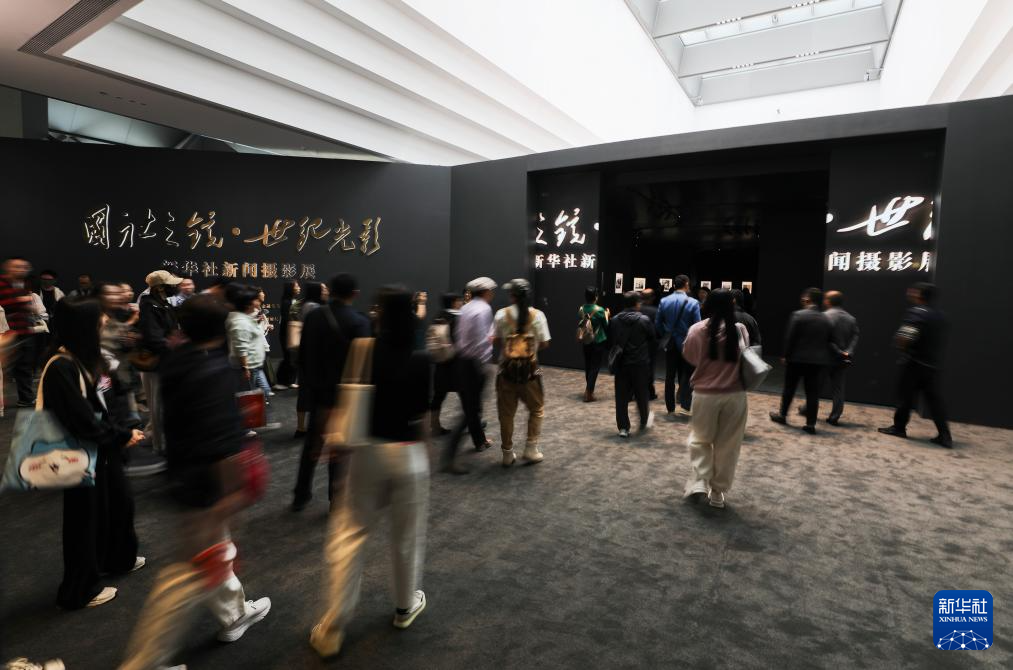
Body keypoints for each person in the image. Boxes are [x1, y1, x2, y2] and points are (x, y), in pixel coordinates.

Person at [119, 295, 272, 670]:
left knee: (216, 554)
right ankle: (146, 662)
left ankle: (235, 615)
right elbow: (219, 441)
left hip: (184, 472)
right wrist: (231, 492)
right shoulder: (214, 370)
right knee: (189, 573)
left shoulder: (179, 359)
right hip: (207, 482)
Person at [309, 287, 431, 658]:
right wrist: (425, 455)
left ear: (380, 314)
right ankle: (405, 606)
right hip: (408, 454)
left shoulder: (362, 348)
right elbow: (423, 417)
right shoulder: (422, 358)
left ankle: (332, 627)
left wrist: (334, 443)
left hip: (366, 452)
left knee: (350, 534)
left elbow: (345, 400)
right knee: (406, 536)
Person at [42, 299, 147, 609]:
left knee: (116, 504)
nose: (105, 330)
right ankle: (79, 590)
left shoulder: (85, 360)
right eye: (100, 326)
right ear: (84, 329)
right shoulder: (60, 366)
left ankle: (116, 559)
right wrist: (122, 436)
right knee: (83, 521)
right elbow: (82, 420)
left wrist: (122, 432)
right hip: (79, 453)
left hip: (103, 449)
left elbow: (104, 404)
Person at [292, 274, 371, 511]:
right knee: (340, 448)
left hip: (318, 391)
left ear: (331, 291)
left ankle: (300, 495)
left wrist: (310, 382)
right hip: (345, 395)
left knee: (312, 445)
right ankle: (335, 500)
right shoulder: (359, 322)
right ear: (355, 294)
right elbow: (364, 365)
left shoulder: (314, 316)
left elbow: (302, 354)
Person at [681, 289, 750, 509]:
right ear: (732, 304)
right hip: (735, 395)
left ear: (707, 305)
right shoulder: (739, 330)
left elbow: (690, 357)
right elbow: (745, 357)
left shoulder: (696, 329)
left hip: (705, 394)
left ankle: (700, 480)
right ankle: (718, 492)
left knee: (700, 439)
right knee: (728, 445)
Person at [879, 283, 953, 447]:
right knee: (934, 401)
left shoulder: (917, 312)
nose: (910, 292)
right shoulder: (941, 316)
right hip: (932, 365)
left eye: (913, 291)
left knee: (905, 397)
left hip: (914, 363)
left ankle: (899, 428)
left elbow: (905, 337)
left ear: (919, 294)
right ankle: (945, 435)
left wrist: (901, 348)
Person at [492, 278, 551, 467]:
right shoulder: (538, 315)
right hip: (533, 370)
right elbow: (545, 343)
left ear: (512, 296)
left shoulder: (501, 314)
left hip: (505, 370)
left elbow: (495, 340)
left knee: (506, 413)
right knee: (537, 408)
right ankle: (531, 449)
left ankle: (507, 453)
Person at [443, 277, 496, 474]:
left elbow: (460, 336)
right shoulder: (483, 309)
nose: (492, 293)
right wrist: (485, 364)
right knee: (470, 410)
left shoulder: (465, 308)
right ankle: (448, 458)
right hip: (474, 364)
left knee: (469, 406)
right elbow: (482, 341)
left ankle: (479, 440)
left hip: (462, 361)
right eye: (491, 290)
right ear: (485, 292)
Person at [769, 287, 832, 434]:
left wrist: (785, 355)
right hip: (817, 362)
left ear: (807, 299)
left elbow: (790, 338)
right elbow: (830, 340)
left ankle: (782, 415)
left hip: (796, 359)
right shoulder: (826, 319)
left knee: (789, 389)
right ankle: (810, 424)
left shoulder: (798, 315)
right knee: (812, 393)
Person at [138, 270, 182, 454]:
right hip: (158, 363)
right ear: (160, 287)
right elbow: (153, 337)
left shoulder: (162, 304)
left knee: (162, 403)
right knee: (158, 405)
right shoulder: (150, 306)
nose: (176, 287)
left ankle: (162, 440)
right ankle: (161, 444)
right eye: (171, 284)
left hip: (166, 360)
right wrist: (172, 345)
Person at [226, 285, 278, 430]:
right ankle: (245, 428)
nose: (259, 302)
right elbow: (241, 347)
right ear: (248, 303)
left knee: (262, 392)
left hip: (254, 366)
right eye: (256, 299)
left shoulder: (245, 318)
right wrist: (245, 367)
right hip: (247, 366)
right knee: (246, 397)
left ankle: (259, 422)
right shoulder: (240, 322)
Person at [608, 291, 655, 438]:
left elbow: (611, 341)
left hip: (622, 363)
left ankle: (623, 428)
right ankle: (644, 421)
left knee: (621, 396)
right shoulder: (644, 320)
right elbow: (653, 339)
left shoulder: (615, 320)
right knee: (642, 394)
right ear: (637, 303)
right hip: (640, 363)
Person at [657, 275, 701, 417]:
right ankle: (685, 406)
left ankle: (670, 407)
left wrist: (667, 334)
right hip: (687, 343)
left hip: (670, 343)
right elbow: (697, 326)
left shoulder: (664, 301)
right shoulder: (693, 302)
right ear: (686, 284)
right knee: (687, 374)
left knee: (669, 376)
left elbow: (658, 324)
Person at [0, 257, 37, 407]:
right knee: (3, 369)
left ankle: (26, 399)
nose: (21, 270)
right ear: (8, 268)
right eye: (17, 267)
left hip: (24, 331)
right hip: (5, 333)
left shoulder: (25, 284)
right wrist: (21, 301)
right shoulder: (2, 283)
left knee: (24, 367)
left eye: (24, 267)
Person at [294, 281, 328, 437]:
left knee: (304, 393)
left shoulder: (306, 305)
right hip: (313, 355)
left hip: (307, 354)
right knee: (311, 393)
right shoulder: (314, 307)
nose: (326, 291)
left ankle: (301, 427)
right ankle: (306, 428)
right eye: (323, 289)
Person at [822, 291, 859, 425]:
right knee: (838, 389)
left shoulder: (825, 316)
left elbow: (825, 338)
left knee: (816, 386)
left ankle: (807, 409)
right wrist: (847, 352)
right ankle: (835, 416)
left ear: (828, 301)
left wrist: (838, 351)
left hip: (826, 357)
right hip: (842, 359)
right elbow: (855, 336)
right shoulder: (851, 318)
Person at [430, 292, 463, 435]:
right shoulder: (458, 318)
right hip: (456, 361)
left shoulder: (438, 317)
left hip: (441, 361)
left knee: (438, 395)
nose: (461, 303)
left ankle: (434, 425)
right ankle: (470, 423)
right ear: (454, 302)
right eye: (459, 300)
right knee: (466, 394)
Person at [577, 286, 609, 402]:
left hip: (586, 340)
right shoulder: (600, 310)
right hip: (597, 340)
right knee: (595, 367)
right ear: (596, 297)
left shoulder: (581, 309)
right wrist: (607, 315)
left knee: (588, 366)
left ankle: (589, 390)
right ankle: (589, 393)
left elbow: (582, 322)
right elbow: (606, 325)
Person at [275, 280, 301, 389]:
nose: (299, 288)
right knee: (288, 357)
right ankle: (281, 382)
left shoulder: (294, 301)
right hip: (287, 333)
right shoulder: (286, 302)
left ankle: (290, 381)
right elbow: (287, 319)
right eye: (296, 286)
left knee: (293, 358)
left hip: (293, 332)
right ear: (291, 288)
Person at [639, 288, 660, 400]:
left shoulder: (636, 309)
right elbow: (658, 328)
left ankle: (634, 391)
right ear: (652, 298)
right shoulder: (655, 311)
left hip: (636, 343)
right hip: (650, 344)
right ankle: (649, 392)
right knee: (650, 367)